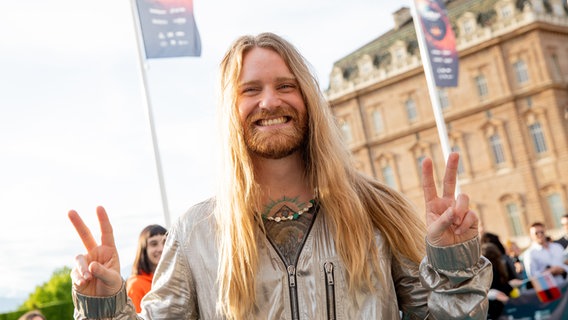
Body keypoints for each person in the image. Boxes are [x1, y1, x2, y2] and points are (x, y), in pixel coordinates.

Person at [67, 32, 491, 319]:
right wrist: (103, 304)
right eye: (251, 90)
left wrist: (454, 264)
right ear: (230, 111)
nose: (269, 101)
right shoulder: (195, 231)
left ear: (308, 99)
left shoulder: (377, 207)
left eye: (286, 86)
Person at [126, 224, 167, 313]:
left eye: (165, 242)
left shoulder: (173, 280)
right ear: (144, 249)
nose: (161, 248)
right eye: (154, 244)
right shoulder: (136, 285)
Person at [482, 243, 517, 320]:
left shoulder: (483, 272)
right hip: (499, 308)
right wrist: (511, 285)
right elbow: (501, 288)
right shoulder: (497, 269)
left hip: (491, 310)